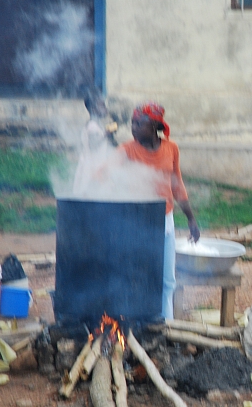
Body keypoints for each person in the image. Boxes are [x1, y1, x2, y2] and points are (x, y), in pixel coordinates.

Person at [120, 102, 200, 321]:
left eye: (139, 123)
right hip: (136, 222)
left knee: (167, 281)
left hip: (165, 219)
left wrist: (191, 218)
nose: (133, 128)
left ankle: (167, 326)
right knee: (137, 277)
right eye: (132, 123)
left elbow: (177, 184)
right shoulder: (127, 150)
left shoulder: (171, 148)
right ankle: (135, 324)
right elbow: (102, 171)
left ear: (155, 125)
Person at [72, 92, 118, 196]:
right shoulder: (92, 126)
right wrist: (106, 134)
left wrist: (109, 137)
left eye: (104, 105)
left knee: (100, 191)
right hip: (92, 166)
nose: (105, 108)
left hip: (98, 164)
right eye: (102, 105)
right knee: (91, 190)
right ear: (93, 109)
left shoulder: (97, 125)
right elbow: (93, 144)